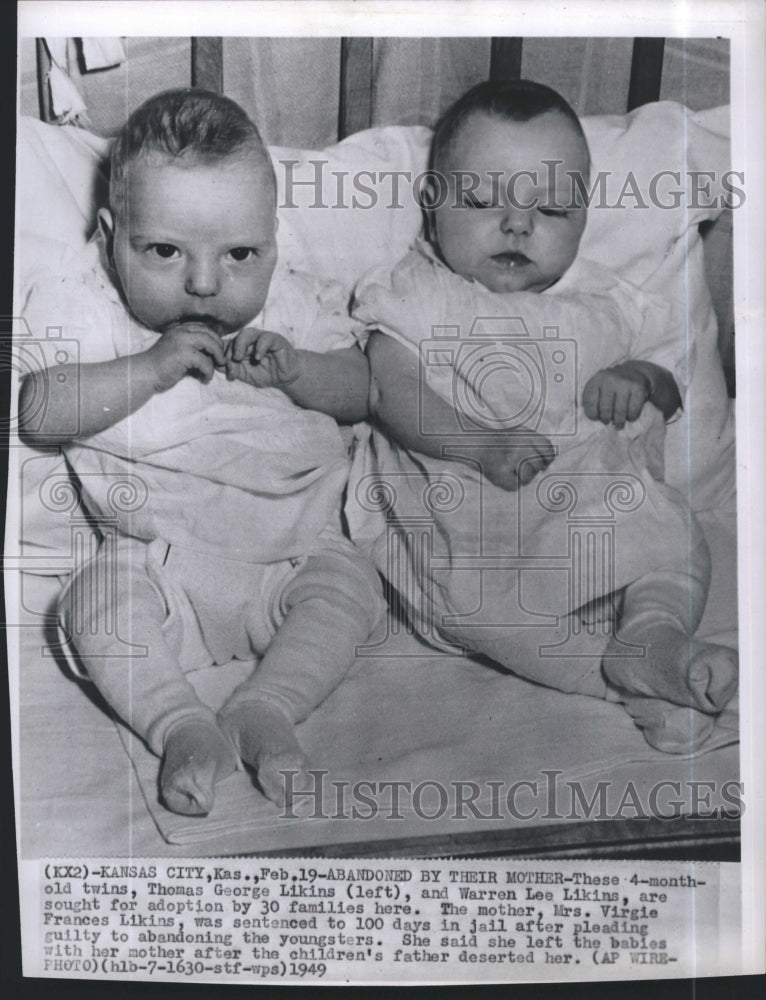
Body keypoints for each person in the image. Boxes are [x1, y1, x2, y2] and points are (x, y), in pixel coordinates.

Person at [19, 88, 384, 817]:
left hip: (294, 561)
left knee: (354, 590)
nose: (205, 283)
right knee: (90, 605)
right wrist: (147, 370)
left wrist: (299, 369)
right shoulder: (85, 305)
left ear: (274, 245)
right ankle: (179, 723)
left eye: (241, 254)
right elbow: (39, 411)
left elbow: (365, 391)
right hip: (160, 570)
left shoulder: (294, 306)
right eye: (164, 251)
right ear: (109, 238)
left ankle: (267, 708)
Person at [345, 79, 737, 752]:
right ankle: (630, 677)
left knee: (677, 541)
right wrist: (478, 446)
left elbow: (669, 392)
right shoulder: (419, 294)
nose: (517, 224)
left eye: (551, 209)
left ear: (582, 220)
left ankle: (652, 629)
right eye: (480, 200)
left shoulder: (607, 305)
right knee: (479, 608)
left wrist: (637, 378)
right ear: (432, 205)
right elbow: (388, 389)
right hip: (467, 528)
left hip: (592, 510)